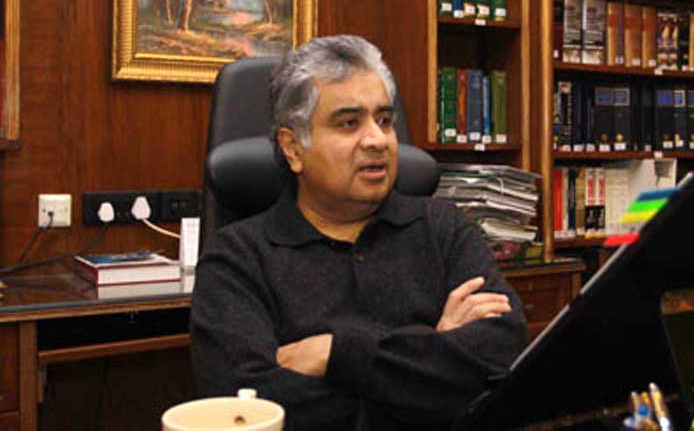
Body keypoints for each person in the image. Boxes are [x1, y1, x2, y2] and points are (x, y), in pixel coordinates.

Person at [190, 35, 528, 430]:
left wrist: (333, 354)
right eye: (349, 123)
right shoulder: (236, 258)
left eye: (384, 120)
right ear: (293, 148)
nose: (377, 140)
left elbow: (503, 354)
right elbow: (247, 407)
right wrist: (430, 350)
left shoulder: (444, 228)